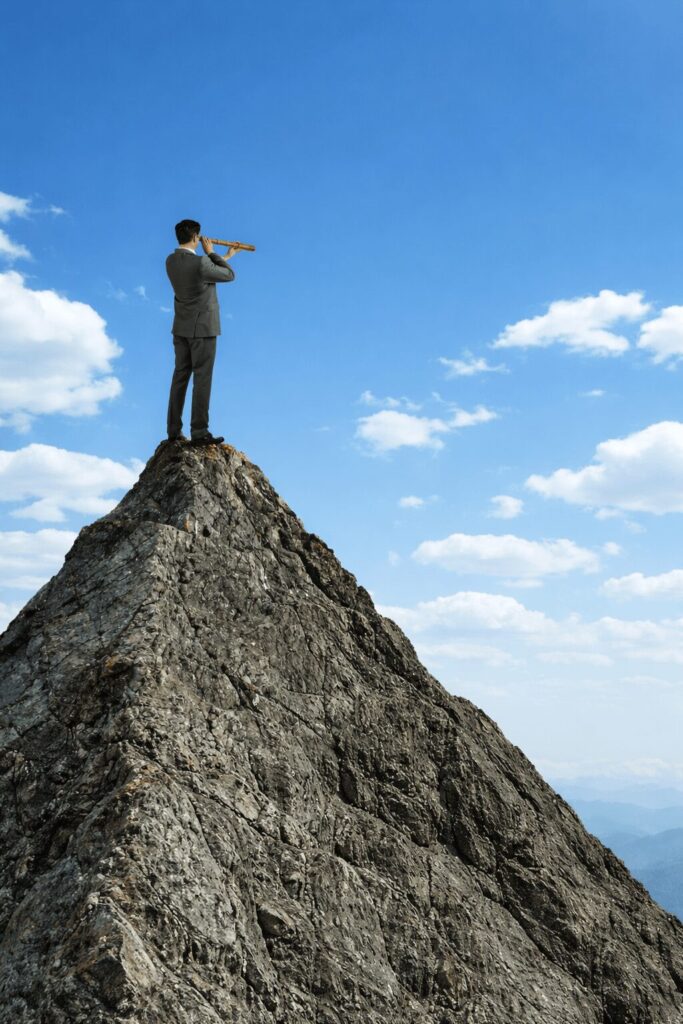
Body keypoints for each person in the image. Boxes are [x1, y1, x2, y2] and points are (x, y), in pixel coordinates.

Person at [165, 219, 238, 446]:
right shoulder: (202, 262)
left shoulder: (171, 261)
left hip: (181, 328)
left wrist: (224, 257)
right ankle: (199, 431)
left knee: (180, 377)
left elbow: (204, 272)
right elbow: (228, 275)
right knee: (202, 379)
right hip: (203, 329)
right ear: (196, 237)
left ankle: (173, 431)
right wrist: (213, 253)